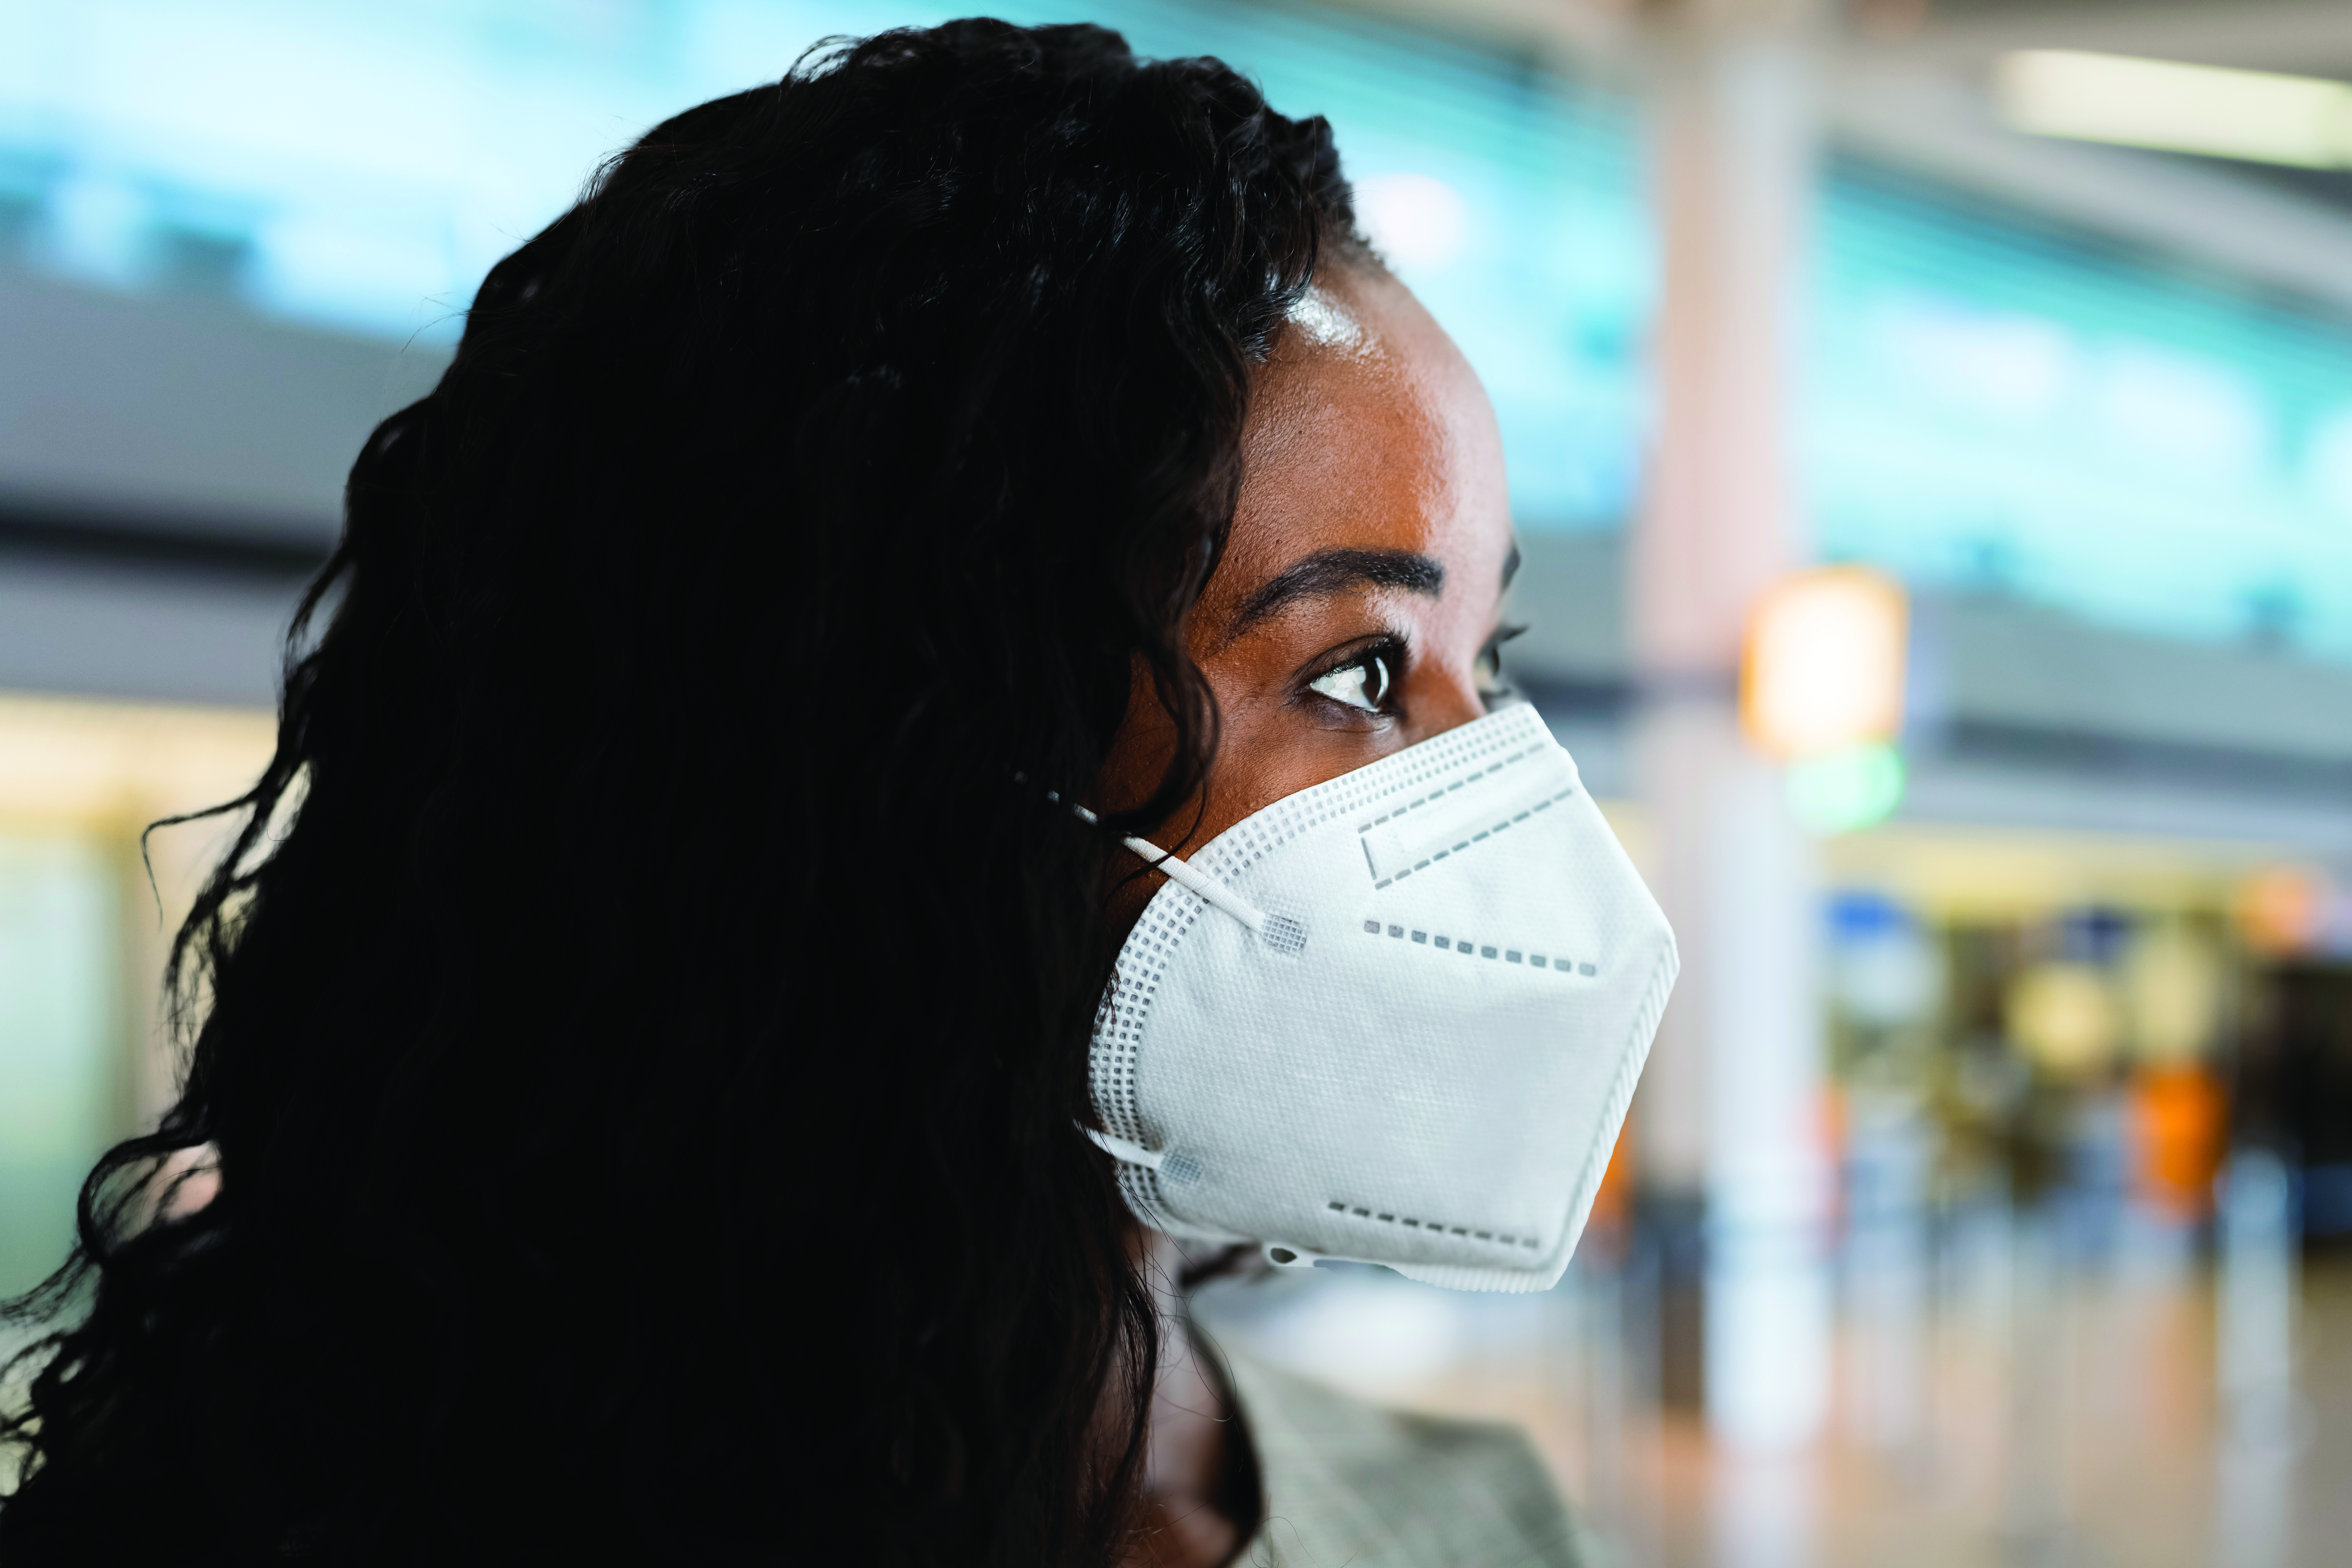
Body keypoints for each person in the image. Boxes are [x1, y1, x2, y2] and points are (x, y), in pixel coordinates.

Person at [0, 21, 1627, 1564]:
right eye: (1359, 672)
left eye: (1487, 669)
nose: (1485, 790)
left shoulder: (1469, 1524)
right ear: (923, 732)